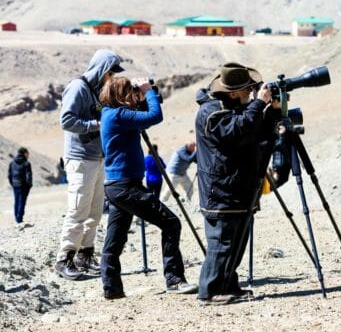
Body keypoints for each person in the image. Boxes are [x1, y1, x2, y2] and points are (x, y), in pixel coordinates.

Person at [99, 76, 197, 299]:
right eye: (129, 91)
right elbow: (155, 115)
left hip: (116, 186)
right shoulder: (119, 115)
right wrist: (148, 91)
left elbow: (144, 118)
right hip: (126, 187)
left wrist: (141, 98)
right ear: (121, 95)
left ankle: (111, 289)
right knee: (171, 223)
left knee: (115, 240)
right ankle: (174, 279)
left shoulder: (110, 113)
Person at [195, 62, 280, 306]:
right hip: (220, 191)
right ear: (233, 92)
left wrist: (271, 112)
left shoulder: (233, 108)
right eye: (247, 90)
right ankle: (209, 292)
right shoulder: (211, 113)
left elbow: (254, 133)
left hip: (237, 189)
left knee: (235, 242)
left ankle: (228, 285)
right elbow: (238, 130)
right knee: (221, 243)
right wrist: (258, 104)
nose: (251, 93)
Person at [55, 49, 124, 280]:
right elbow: (67, 120)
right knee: (78, 210)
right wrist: (97, 125)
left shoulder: (97, 91)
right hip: (81, 158)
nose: (112, 77)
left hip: (97, 157)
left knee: (94, 212)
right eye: (111, 72)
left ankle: (85, 255)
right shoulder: (78, 88)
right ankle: (64, 258)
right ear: (102, 69)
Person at [8, 147, 32, 226]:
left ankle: (17, 219)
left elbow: (9, 175)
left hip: (15, 185)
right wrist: (29, 185)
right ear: (24, 153)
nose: (28, 155)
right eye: (27, 153)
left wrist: (13, 183)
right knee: (22, 202)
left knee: (16, 201)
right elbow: (28, 176)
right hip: (23, 185)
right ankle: (19, 219)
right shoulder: (26, 163)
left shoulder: (12, 162)